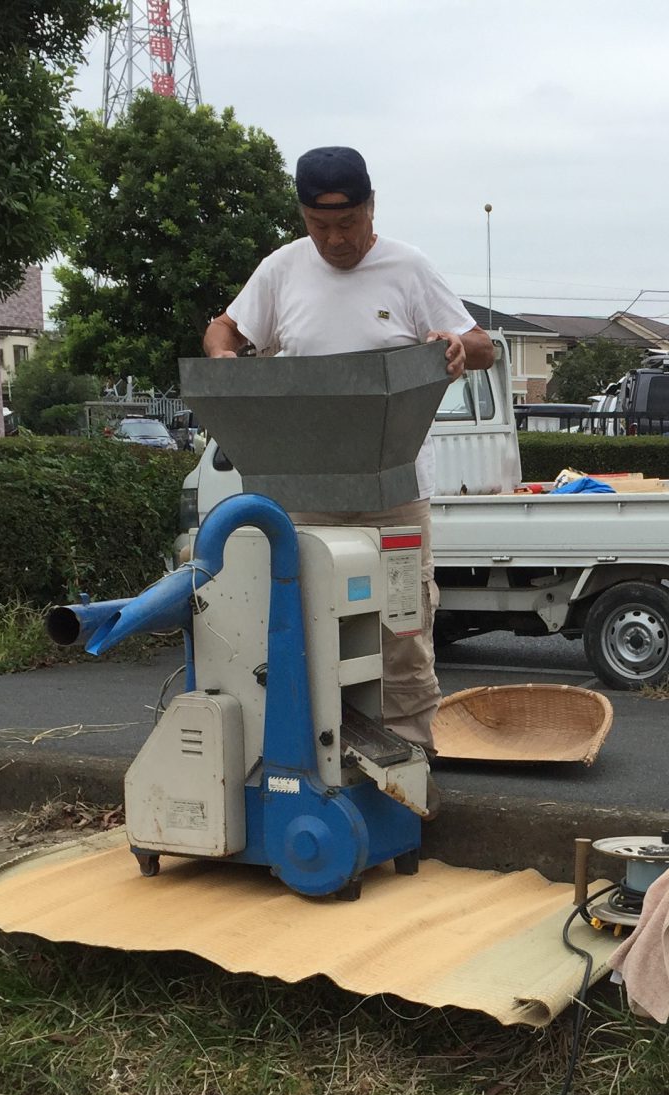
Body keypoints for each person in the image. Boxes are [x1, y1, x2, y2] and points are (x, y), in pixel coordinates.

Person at [202, 145, 494, 764]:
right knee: (306, 622)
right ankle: (314, 757)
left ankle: (410, 761)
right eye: (319, 225)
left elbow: (482, 344)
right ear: (303, 217)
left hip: (395, 495)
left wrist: (454, 345)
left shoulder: (408, 268)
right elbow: (224, 328)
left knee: (401, 627)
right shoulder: (282, 269)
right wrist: (223, 356)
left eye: (348, 223)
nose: (335, 240)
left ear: (371, 208)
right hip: (303, 494)